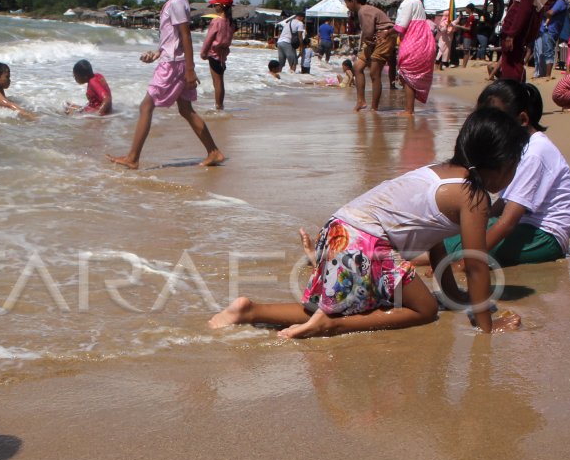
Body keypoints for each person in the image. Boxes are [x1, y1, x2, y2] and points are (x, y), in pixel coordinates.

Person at [208, 107, 526, 338]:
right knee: (425, 310)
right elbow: (475, 264)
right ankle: (334, 326)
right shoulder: (474, 196)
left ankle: (249, 310)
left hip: (340, 228)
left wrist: (455, 297)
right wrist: (487, 325)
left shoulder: (439, 173)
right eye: (514, 166)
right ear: (499, 164)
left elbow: (436, 243)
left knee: (332, 306)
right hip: (367, 243)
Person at [106, 0, 225, 170]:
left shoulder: (178, 2)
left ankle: (133, 158)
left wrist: (190, 69)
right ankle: (213, 151)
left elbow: (186, 35)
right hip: (174, 61)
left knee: (146, 105)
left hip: (174, 65)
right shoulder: (176, 1)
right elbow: (173, 38)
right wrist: (157, 53)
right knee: (186, 110)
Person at [441, 80, 570, 267]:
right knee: (463, 233)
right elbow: (503, 202)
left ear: (522, 120)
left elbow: (509, 221)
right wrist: (478, 219)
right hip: (526, 226)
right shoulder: (518, 148)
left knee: (463, 246)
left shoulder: (535, 153)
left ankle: (435, 261)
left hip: (546, 235)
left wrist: (467, 263)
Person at [343, 0, 395, 112]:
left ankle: (374, 108)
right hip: (374, 39)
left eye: (347, 3)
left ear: (353, 1)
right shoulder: (363, 10)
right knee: (357, 67)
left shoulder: (363, 11)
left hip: (384, 36)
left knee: (374, 73)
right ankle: (361, 101)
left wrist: (368, 42)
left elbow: (368, 32)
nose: (346, 6)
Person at [392, 0, 435, 117]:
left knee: (407, 75)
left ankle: (409, 110)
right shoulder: (419, 2)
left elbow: (400, 26)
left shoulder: (408, 3)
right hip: (425, 41)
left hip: (414, 42)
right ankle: (410, 108)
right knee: (410, 75)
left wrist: (386, 34)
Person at [199, 0, 234, 110]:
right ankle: (220, 105)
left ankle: (219, 106)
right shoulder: (230, 22)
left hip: (214, 54)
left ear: (222, 6)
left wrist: (203, 53)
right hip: (223, 56)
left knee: (217, 82)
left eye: (216, 5)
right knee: (220, 81)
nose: (214, 7)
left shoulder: (216, 21)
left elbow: (209, 38)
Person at [533, 0, 568, 79]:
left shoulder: (561, 1)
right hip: (544, 29)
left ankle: (547, 75)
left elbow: (550, 13)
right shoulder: (557, 0)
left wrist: (540, 10)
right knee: (539, 52)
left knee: (547, 52)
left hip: (550, 30)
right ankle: (541, 73)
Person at [452, 4, 478, 69]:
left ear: (469, 9)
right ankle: (464, 65)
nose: (465, 10)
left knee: (466, 50)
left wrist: (458, 26)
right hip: (467, 35)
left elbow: (468, 28)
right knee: (466, 50)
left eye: (466, 9)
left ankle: (464, 66)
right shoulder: (470, 17)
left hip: (468, 36)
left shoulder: (471, 17)